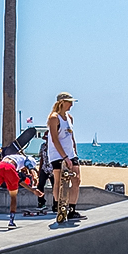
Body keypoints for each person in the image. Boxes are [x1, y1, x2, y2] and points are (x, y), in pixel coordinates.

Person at [0, 149, 43, 227]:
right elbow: (25, 170)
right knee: (13, 196)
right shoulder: (26, 160)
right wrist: (33, 189)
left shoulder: (14, 157)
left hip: (0, 166)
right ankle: (11, 221)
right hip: (9, 168)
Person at [48, 92, 82, 221]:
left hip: (70, 153)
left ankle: (72, 209)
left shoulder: (69, 117)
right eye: (69, 102)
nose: (71, 105)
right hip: (57, 154)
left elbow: (71, 136)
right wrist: (64, 157)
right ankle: (58, 207)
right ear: (62, 103)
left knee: (76, 180)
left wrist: (74, 152)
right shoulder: (54, 118)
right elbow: (55, 139)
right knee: (59, 181)